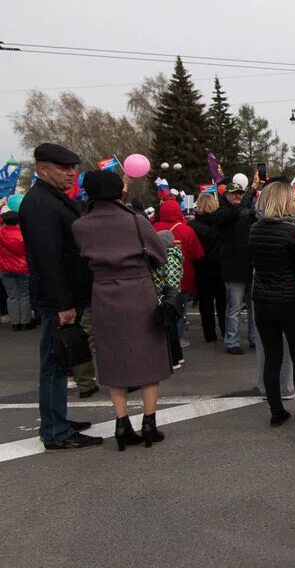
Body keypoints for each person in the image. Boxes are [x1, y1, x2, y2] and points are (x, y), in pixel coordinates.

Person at [73, 170, 171, 450]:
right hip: (138, 291)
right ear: (119, 192)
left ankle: (121, 423)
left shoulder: (80, 226)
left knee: (112, 358)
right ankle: (149, 423)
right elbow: (159, 255)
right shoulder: (136, 221)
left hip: (103, 294)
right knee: (149, 358)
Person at [17, 143, 102, 449]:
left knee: (61, 363)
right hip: (58, 299)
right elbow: (47, 259)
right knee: (54, 365)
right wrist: (63, 303)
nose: (71, 174)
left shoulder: (51, 199)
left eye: (73, 168)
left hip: (67, 294)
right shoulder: (40, 203)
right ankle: (55, 431)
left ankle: (58, 420)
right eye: (64, 169)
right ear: (42, 169)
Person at [248, 180, 295, 426]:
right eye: (292, 199)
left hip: (263, 299)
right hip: (290, 298)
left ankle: (276, 410)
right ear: (282, 201)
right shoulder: (292, 232)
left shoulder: (255, 229)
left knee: (272, 356)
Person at [154, 198, 204, 348]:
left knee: (159, 307)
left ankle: (162, 339)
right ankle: (178, 338)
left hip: (158, 277)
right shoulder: (186, 230)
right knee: (179, 310)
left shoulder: (153, 228)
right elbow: (197, 254)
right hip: (182, 277)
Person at [217, 176, 258, 354]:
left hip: (249, 264)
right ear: (226, 195)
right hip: (233, 267)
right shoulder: (223, 213)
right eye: (234, 193)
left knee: (253, 307)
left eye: (240, 193)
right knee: (234, 308)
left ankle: (254, 338)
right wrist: (253, 188)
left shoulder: (246, 212)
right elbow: (236, 212)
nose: (237, 196)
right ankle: (231, 340)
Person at [190, 193, 227, 343]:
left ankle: (209, 333)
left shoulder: (193, 226)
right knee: (223, 302)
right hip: (221, 266)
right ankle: (226, 330)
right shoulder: (222, 224)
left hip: (202, 267)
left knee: (205, 304)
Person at [153, 229, 185, 369]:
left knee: (169, 328)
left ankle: (174, 359)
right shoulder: (170, 256)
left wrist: (160, 290)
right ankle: (176, 357)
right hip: (171, 297)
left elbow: (171, 280)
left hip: (168, 298)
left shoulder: (170, 258)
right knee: (170, 327)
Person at [0, 210, 33, 330]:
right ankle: (26, 321)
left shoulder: (1, 233)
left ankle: (15, 322)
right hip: (22, 267)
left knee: (12, 296)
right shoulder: (23, 234)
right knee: (24, 295)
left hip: (5, 267)